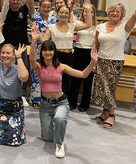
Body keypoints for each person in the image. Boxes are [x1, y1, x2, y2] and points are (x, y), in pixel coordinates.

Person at [30, 23, 97, 158]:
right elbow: (31, 59)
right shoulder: (39, 67)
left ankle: (60, 144)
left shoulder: (62, 67)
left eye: (50, 50)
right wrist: (34, 41)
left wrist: (92, 62)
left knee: (60, 119)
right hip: (45, 105)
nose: (47, 53)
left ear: (54, 52)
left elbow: (83, 74)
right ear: (42, 52)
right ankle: (55, 129)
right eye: (45, 50)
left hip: (60, 102)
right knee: (47, 137)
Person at [93, 0, 136, 129]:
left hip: (115, 62)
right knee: (101, 87)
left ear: (121, 13)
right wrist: (94, 61)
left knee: (109, 89)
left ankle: (111, 115)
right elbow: (96, 45)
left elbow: (135, 15)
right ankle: (105, 111)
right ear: (108, 12)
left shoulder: (125, 27)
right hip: (101, 60)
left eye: (117, 11)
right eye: (112, 11)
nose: (114, 13)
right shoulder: (100, 27)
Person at [0, 18, 29, 146]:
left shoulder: (17, 67)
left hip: (13, 108)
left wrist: (19, 57)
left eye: (8, 53)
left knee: (14, 139)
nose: (5, 55)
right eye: (3, 53)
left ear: (13, 55)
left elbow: (24, 77)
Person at [40, 4, 92, 96]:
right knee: (54, 80)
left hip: (68, 56)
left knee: (66, 81)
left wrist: (87, 10)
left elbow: (88, 24)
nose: (64, 14)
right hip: (56, 57)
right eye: (61, 12)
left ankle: (63, 101)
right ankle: (52, 99)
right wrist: (37, 35)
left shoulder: (72, 26)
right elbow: (44, 41)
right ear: (57, 13)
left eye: (66, 13)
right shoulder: (51, 27)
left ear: (69, 15)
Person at [2, 0, 35, 106]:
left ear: (20, 0)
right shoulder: (6, 10)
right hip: (8, 45)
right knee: (8, 70)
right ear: (10, 0)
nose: (15, 1)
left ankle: (21, 95)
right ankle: (7, 93)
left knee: (23, 70)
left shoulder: (24, 9)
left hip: (21, 45)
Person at [29, 0, 57, 109]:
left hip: (50, 50)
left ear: (51, 7)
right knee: (36, 74)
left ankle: (48, 98)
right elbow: (30, 4)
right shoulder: (35, 16)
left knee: (49, 74)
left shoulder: (55, 17)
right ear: (39, 7)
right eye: (43, 6)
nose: (46, 8)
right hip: (37, 49)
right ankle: (35, 100)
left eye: (48, 6)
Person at [68, 4, 97, 111]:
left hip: (90, 53)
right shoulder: (78, 23)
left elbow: (98, 44)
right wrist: (71, 5)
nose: (87, 13)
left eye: (90, 11)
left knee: (88, 81)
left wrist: (95, 63)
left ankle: (85, 104)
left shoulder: (97, 27)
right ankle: (72, 102)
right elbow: (70, 17)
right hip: (78, 52)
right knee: (75, 79)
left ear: (94, 14)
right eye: (85, 11)